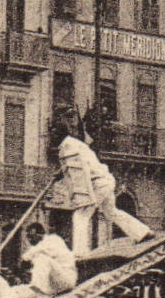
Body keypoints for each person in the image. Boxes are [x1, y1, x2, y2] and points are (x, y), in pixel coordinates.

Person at [55, 106, 152, 256]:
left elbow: (80, 173)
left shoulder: (67, 148)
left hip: (96, 184)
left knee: (80, 215)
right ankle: (143, 232)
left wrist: (83, 199)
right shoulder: (76, 145)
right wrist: (61, 172)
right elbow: (82, 164)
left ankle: (80, 254)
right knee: (111, 212)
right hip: (105, 181)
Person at [15, 223, 79, 298]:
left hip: (66, 278)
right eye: (28, 237)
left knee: (42, 259)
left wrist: (25, 259)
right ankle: (40, 294)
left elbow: (28, 257)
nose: (29, 240)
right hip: (55, 283)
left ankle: (43, 296)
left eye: (31, 236)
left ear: (40, 235)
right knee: (18, 290)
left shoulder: (53, 239)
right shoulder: (38, 247)